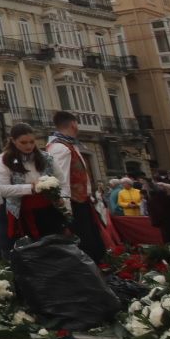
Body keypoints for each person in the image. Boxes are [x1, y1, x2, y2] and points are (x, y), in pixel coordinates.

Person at [45, 112, 107, 261]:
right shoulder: (61, 148)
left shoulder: (67, 145)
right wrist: (66, 211)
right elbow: (61, 181)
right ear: (73, 124)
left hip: (81, 202)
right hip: (75, 205)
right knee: (86, 246)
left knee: (93, 244)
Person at [0, 124, 64, 241]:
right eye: (23, 143)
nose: (29, 146)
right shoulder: (4, 160)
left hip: (51, 209)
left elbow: (61, 179)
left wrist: (62, 197)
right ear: (13, 141)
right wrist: (30, 188)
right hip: (23, 211)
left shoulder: (46, 157)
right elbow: (0, 189)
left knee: (58, 243)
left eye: (32, 142)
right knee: (34, 247)